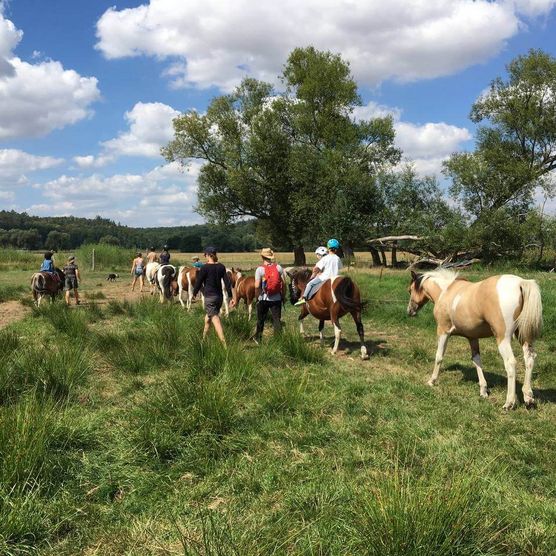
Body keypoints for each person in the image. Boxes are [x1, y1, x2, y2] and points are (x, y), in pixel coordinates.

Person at [192, 246, 235, 346]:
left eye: (205, 255)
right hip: (219, 298)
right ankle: (203, 340)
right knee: (208, 318)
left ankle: (224, 345)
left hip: (209, 297)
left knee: (215, 319)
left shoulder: (204, 267)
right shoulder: (221, 267)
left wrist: (194, 293)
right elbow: (227, 283)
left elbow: (198, 282)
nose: (205, 257)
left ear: (207, 255)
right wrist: (230, 297)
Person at [294, 239, 343, 306]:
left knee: (310, 284)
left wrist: (315, 273)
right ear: (336, 249)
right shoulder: (338, 258)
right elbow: (340, 267)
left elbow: (316, 268)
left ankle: (304, 298)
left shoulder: (325, 258)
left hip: (325, 278)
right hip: (335, 278)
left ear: (328, 248)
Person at [253, 248, 287, 343]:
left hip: (263, 298)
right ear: (271, 257)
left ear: (262, 257)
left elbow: (256, 285)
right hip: (276, 298)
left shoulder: (260, 269)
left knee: (261, 319)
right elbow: (283, 284)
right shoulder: (278, 268)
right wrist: (283, 296)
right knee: (277, 320)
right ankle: (278, 340)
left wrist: (258, 297)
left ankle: (258, 338)